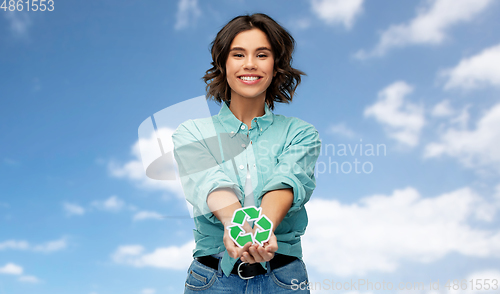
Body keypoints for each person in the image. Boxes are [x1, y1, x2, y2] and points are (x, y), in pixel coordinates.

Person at [172, 13, 321, 293]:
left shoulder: (301, 134)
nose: (250, 64)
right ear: (223, 64)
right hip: (212, 280)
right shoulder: (191, 133)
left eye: (262, 54)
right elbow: (210, 183)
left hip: (284, 279)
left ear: (276, 65)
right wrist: (234, 226)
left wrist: (263, 230)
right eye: (238, 54)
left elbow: (287, 182)